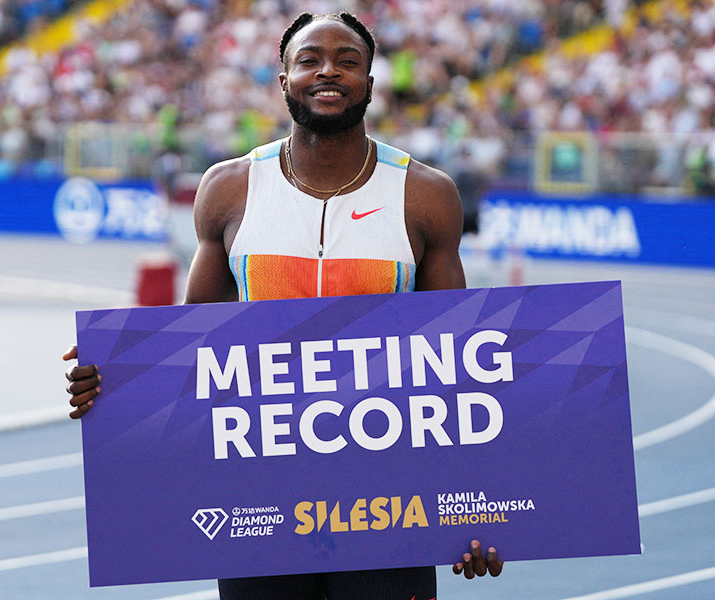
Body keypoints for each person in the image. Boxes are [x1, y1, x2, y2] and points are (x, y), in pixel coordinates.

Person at [64, 12, 503, 598]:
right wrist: (117, 375)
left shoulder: (425, 195)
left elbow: (459, 361)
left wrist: (483, 513)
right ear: (284, 80)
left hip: (388, 504)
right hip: (258, 503)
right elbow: (195, 342)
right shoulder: (230, 188)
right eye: (309, 59)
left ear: (370, 83)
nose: (328, 71)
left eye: (348, 61)